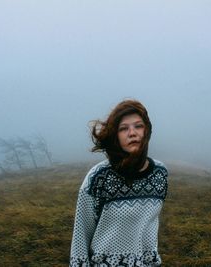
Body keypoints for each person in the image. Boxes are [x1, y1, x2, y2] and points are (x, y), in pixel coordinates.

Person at [69, 99, 168, 267]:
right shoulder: (98, 178)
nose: (132, 133)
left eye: (138, 126)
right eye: (124, 128)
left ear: (147, 131)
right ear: (116, 135)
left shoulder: (160, 173)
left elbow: (149, 226)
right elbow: (80, 237)